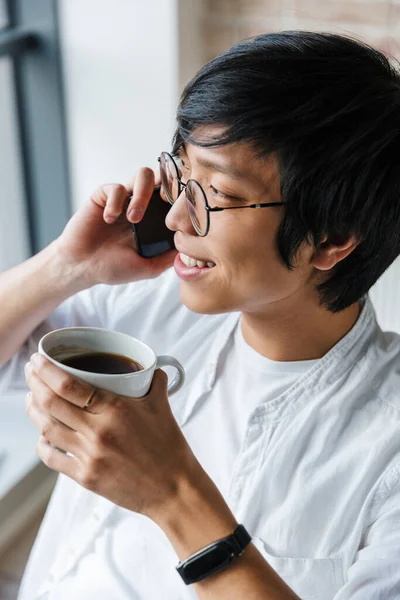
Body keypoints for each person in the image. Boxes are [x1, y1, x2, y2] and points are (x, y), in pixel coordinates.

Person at [1, 30, 400, 599]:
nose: (176, 219)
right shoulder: (152, 298)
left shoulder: (387, 451)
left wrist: (172, 495)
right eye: (181, 175)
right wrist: (70, 265)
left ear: (332, 238)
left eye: (217, 193)